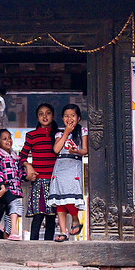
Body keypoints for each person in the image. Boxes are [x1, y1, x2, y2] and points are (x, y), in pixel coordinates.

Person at [47, 104, 88, 242]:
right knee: (59, 201)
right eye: (66, 116)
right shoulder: (59, 133)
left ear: (78, 118)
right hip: (60, 167)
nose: (69, 118)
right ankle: (63, 231)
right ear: (62, 118)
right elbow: (56, 150)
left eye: (72, 115)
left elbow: (85, 150)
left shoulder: (82, 131)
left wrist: (76, 151)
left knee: (69, 198)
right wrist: (66, 133)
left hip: (73, 166)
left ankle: (75, 219)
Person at [19, 103, 59, 241]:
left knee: (51, 217)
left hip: (54, 181)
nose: (44, 116)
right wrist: (28, 166)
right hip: (39, 181)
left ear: (53, 116)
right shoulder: (31, 135)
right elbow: (21, 156)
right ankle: (33, 247)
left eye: (48, 113)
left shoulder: (58, 135)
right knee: (38, 215)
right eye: (41, 114)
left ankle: (49, 248)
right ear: (37, 117)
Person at [0, 129, 25, 241]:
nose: (8, 141)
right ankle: (14, 231)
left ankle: (7, 234)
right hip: (5, 188)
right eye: (4, 139)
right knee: (16, 205)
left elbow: (19, 172)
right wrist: (2, 186)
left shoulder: (14, 156)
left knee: (10, 210)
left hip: (15, 188)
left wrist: (27, 176)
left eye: (9, 138)